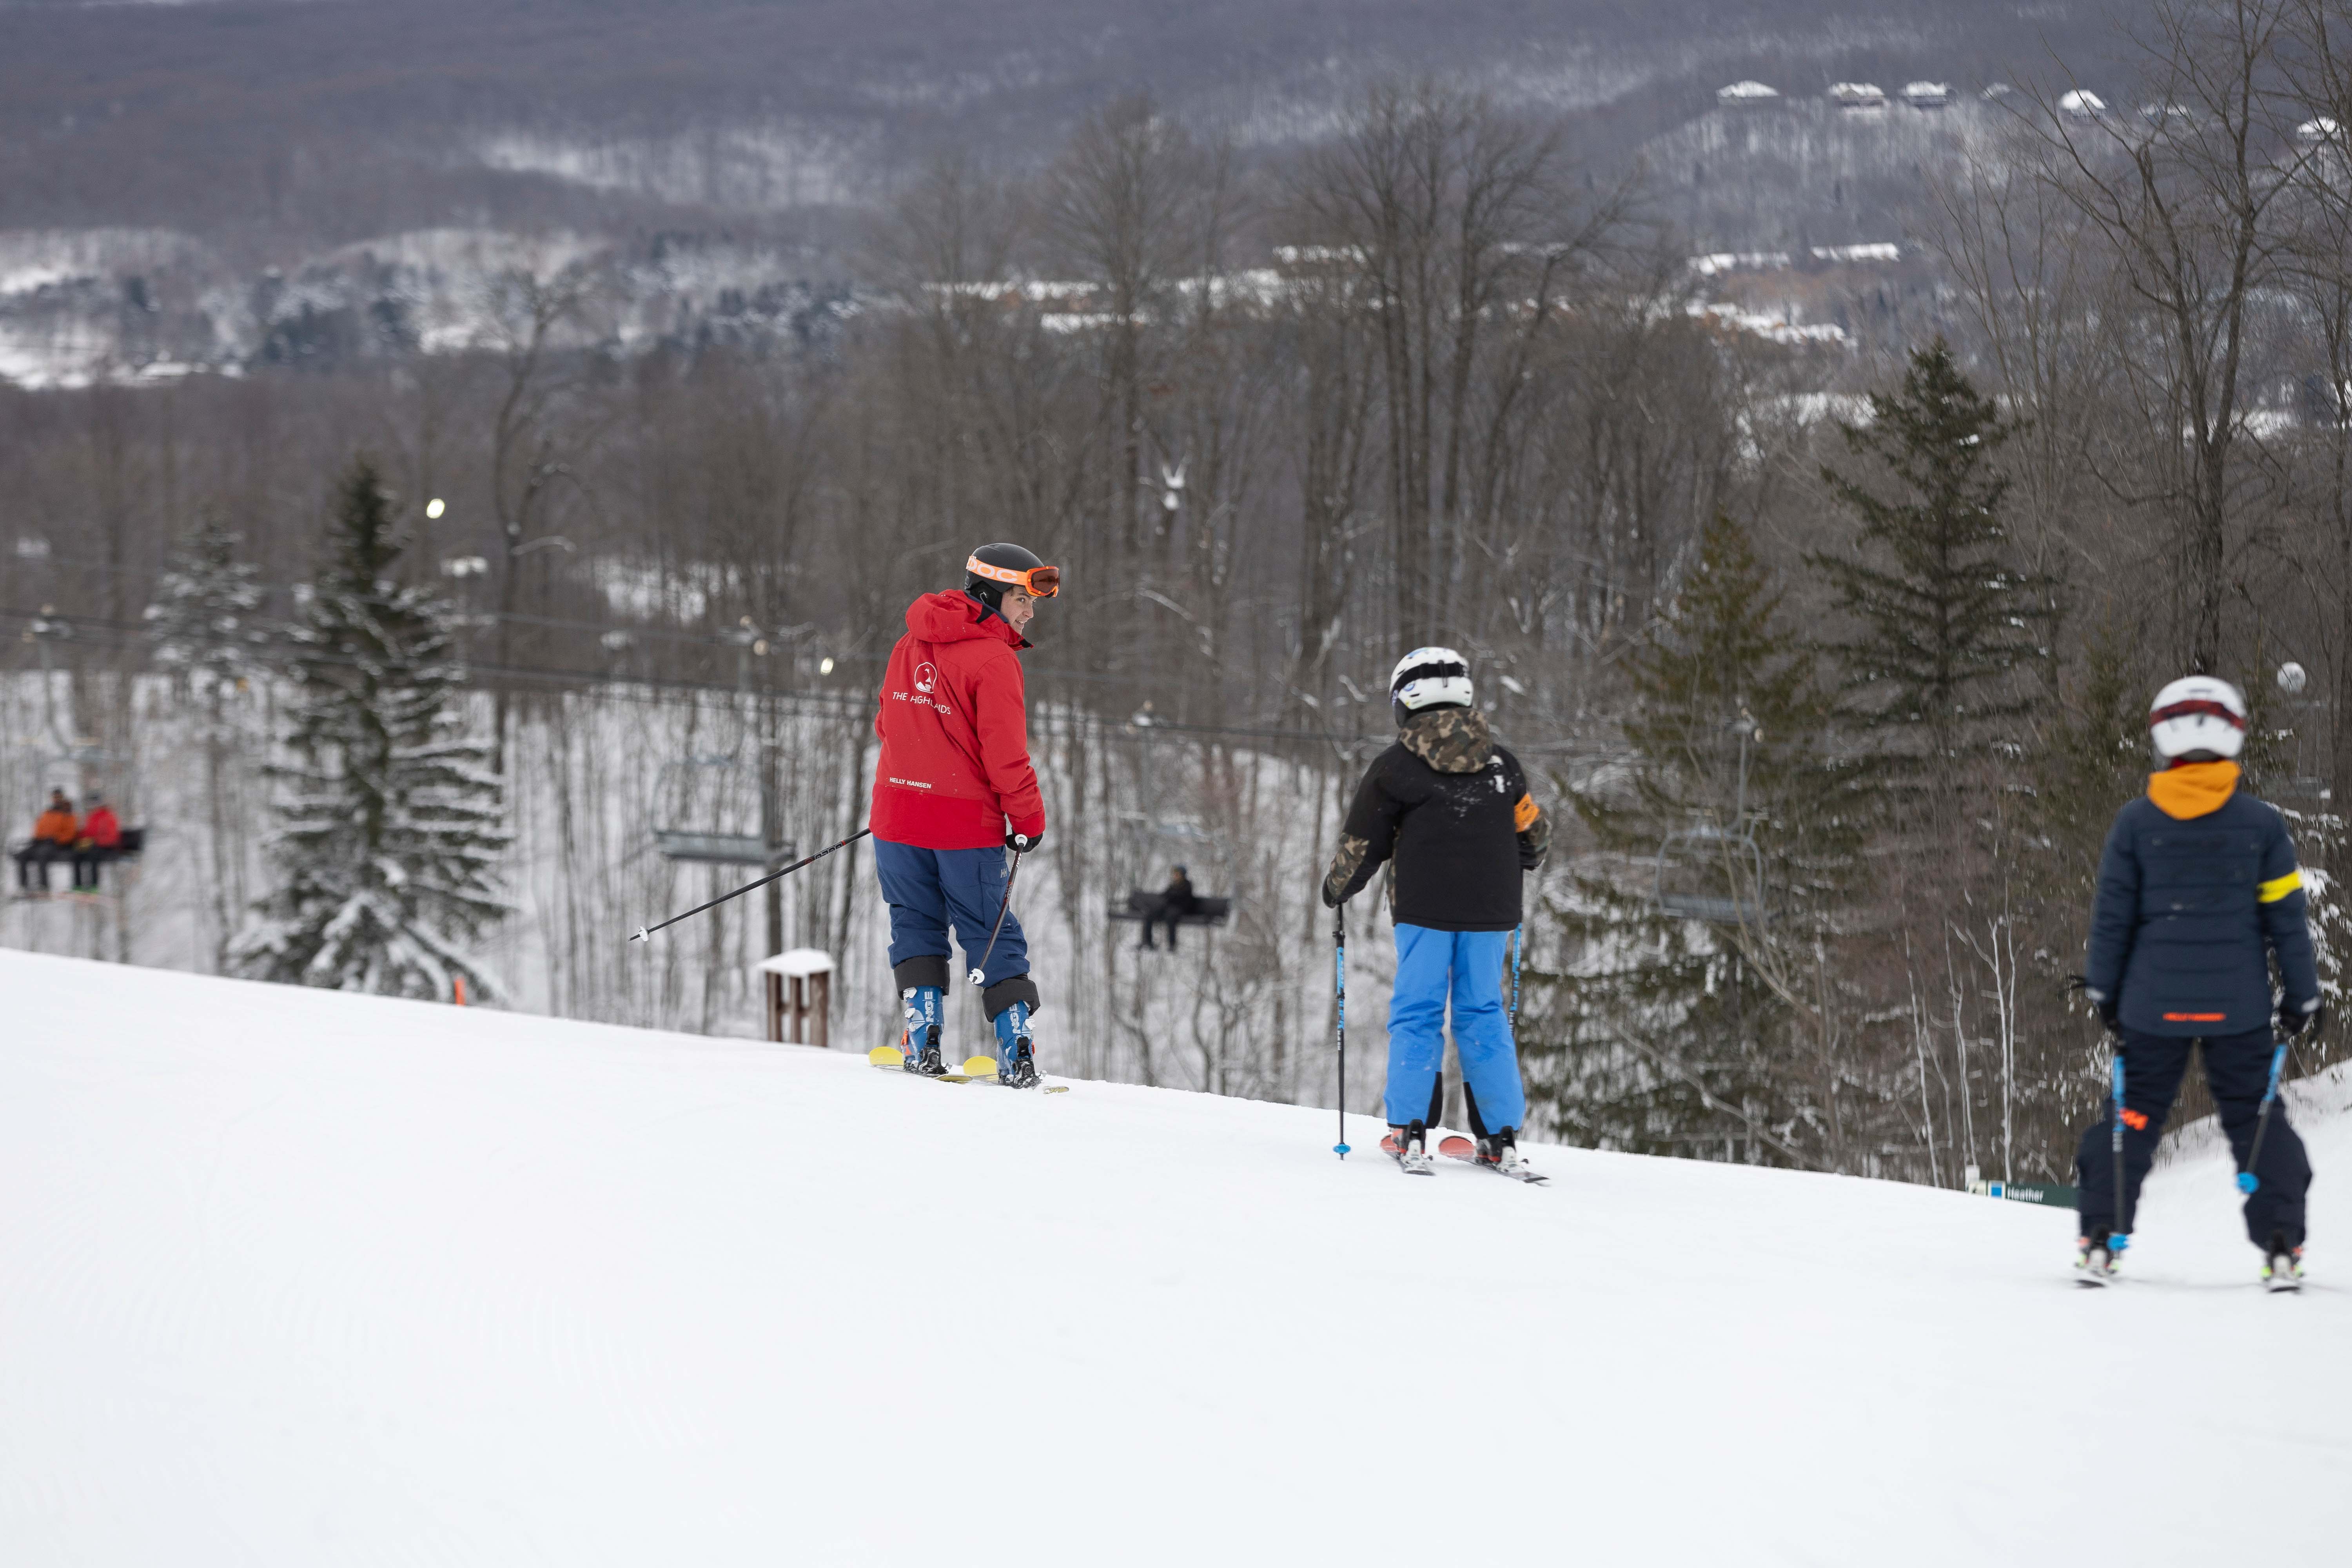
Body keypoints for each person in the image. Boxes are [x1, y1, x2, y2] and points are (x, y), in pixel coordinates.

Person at [2074, 676, 2324, 1290]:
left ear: (2163, 739)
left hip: (2152, 1005)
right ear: (2233, 737)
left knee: (2129, 1121)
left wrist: (2103, 992)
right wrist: (2301, 995)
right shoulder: (2261, 825)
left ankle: (2102, 1241)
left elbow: (2114, 917)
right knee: (2257, 1119)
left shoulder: (2135, 824)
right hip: (2235, 1008)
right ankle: (2282, 1247)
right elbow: (2285, 920)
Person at [1321, 647, 1550, 1176]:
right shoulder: (1502, 765)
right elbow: (1534, 840)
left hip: (1424, 908)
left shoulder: (1395, 767)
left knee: (1419, 1011)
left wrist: (1337, 890)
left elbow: (1362, 845)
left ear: (1405, 700)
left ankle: (1411, 1129)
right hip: (1491, 911)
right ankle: (1501, 1137)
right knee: (1483, 1014)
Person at [869, 543, 1058, 1086]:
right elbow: (1007, 757)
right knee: (988, 928)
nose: (1028, 612)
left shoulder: (909, 641)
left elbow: (888, 727)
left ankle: (921, 1040)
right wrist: (1028, 820)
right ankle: (1016, 1050)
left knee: (914, 921)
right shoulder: (994, 659)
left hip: (897, 815)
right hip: (960, 826)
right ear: (992, 592)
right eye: (1022, 600)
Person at [13, 789, 76, 895]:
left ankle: (44, 886)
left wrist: (57, 839)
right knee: (22, 855)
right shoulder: (48, 813)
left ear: (62, 798)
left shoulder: (67, 813)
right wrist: (37, 838)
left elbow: (70, 832)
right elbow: (39, 827)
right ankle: (23, 886)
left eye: (59, 797)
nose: (56, 800)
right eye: (55, 797)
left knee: (41, 855)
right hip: (40, 843)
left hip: (57, 845)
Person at [1140, 864, 1199, 952]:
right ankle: (1148, 942)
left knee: (1170, 918)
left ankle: (1172, 945)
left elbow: (1182, 898)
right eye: (1175, 874)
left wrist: (1172, 897)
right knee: (1150, 915)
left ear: (1183, 875)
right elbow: (1166, 895)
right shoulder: (1173, 885)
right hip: (1168, 907)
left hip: (1181, 909)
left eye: (1178, 874)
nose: (1175, 876)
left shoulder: (1187, 885)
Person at [72, 794, 122, 892]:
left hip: (107, 847)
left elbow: (112, 836)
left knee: (93, 855)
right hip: (93, 845)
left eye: (94, 804)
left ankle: (94, 886)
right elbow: (88, 833)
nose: (92, 806)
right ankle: (78, 886)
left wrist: (97, 841)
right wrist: (80, 835)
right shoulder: (92, 817)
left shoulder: (108, 816)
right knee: (77, 855)